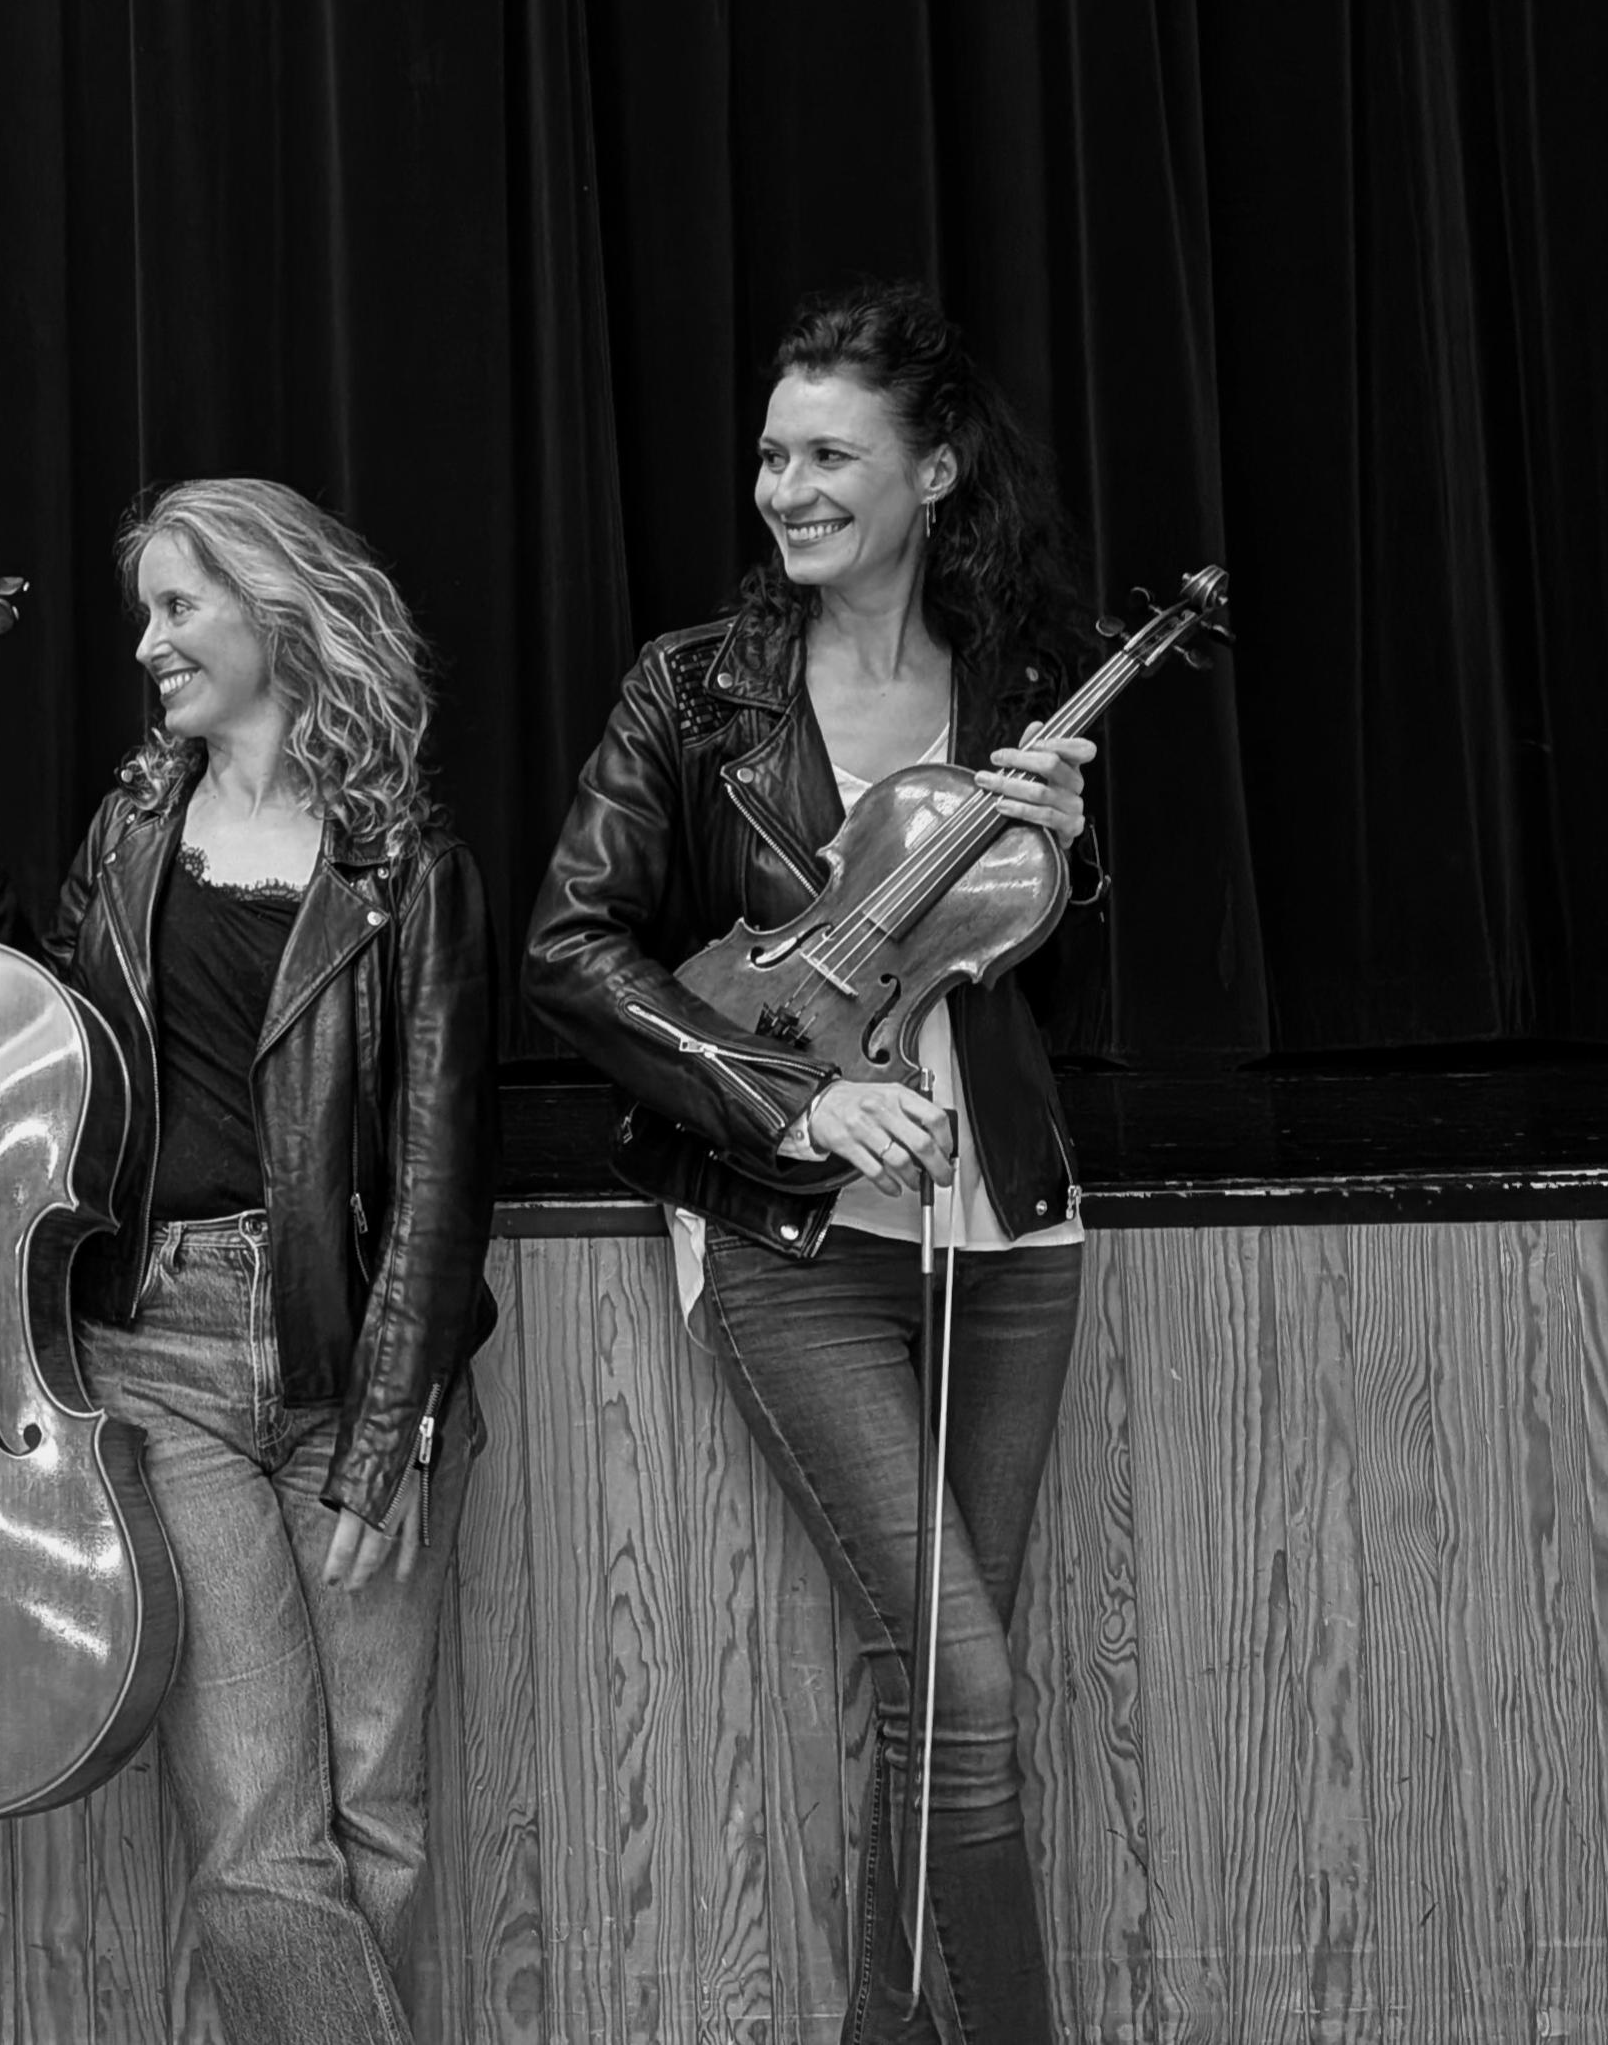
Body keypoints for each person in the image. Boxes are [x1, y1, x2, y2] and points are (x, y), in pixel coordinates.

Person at [524, 283, 1103, 2044]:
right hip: (794, 1235)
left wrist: (1074, 846)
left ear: (931, 473)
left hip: (1005, 1219)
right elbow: (573, 943)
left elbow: (1007, 943)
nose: (787, 485)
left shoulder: (1010, 680)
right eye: (773, 452)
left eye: (830, 452)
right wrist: (783, 1099)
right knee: (964, 1685)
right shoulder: (695, 693)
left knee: (941, 1697)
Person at [0, 478, 497, 2045]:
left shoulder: (410, 862)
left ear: (277, 608)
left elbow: (441, 1165)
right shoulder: (128, 833)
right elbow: (83, 1061)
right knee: (257, 1811)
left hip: (360, 1361)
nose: (151, 644)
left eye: (181, 606)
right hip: (162, 1348)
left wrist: (385, 1430)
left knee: (377, 1804)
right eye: (149, 615)